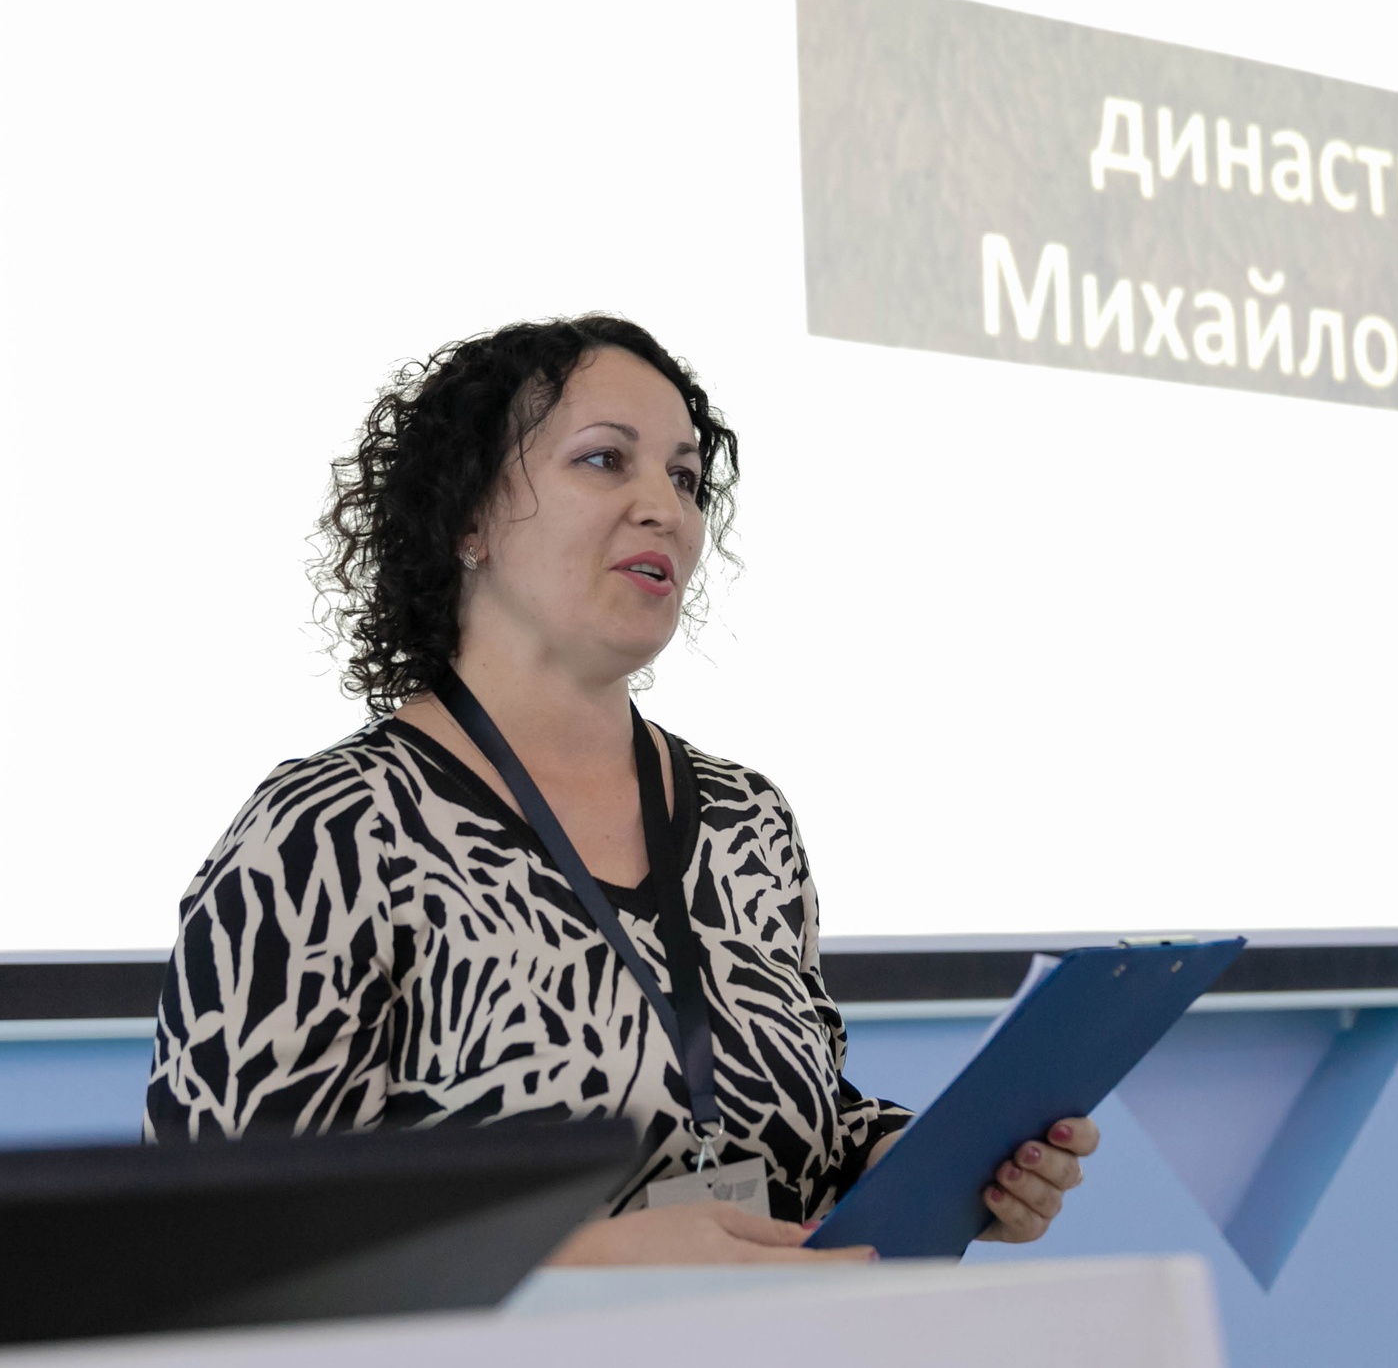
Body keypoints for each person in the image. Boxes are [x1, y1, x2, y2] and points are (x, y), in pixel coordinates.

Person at [145, 315, 1096, 1263]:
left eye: (684, 478)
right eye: (605, 461)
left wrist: (927, 1164)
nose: (666, 510)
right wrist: (596, 1260)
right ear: (468, 517)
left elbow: (802, 1125)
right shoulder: (327, 828)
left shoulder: (747, 820)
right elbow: (226, 1234)